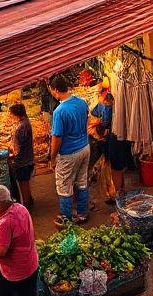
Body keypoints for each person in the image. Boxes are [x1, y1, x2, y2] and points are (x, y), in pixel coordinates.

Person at [0, 184, 38, 296]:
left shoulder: (4, 223)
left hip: (16, 272)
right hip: (31, 263)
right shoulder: (20, 207)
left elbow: (0, 252)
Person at [48, 76, 91, 224]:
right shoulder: (81, 102)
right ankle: (82, 213)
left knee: (64, 186)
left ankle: (67, 218)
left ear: (54, 90)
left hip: (69, 153)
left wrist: (52, 158)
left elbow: (57, 138)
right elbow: (87, 120)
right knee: (82, 181)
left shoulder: (59, 111)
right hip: (85, 147)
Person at [92, 90, 129, 200]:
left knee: (116, 166)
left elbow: (103, 121)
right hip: (118, 137)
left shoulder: (107, 109)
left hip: (114, 138)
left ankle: (118, 193)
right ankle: (119, 191)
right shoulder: (114, 108)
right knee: (119, 166)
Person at [7, 103, 35, 207]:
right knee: (26, 182)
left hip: (22, 160)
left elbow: (16, 149)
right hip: (28, 158)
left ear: (16, 114)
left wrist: (10, 154)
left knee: (23, 183)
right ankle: (29, 200)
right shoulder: (27, 122)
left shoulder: (20, 128)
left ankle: (26, 204)